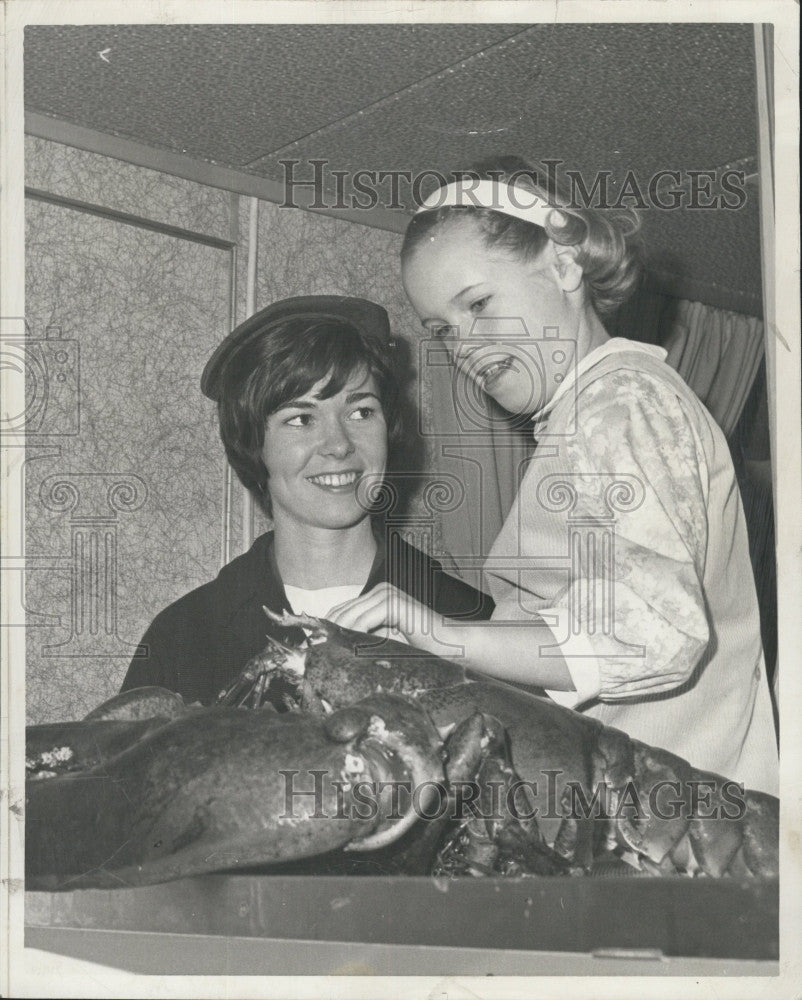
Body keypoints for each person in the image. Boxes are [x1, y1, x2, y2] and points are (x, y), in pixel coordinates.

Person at [328, 159, 779, 796]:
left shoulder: (621, 401)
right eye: (443, 331)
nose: (467, 348)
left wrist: (448, 636)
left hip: (678, 843)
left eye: (479, 304)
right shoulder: (592, 412)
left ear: (564, 263)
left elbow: (650, 634)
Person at [122, 295, 493, 705]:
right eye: (301, 419)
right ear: (253, 444)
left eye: (361, 412)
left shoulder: (468, 619)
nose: (338, 445)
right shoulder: (185, 636)